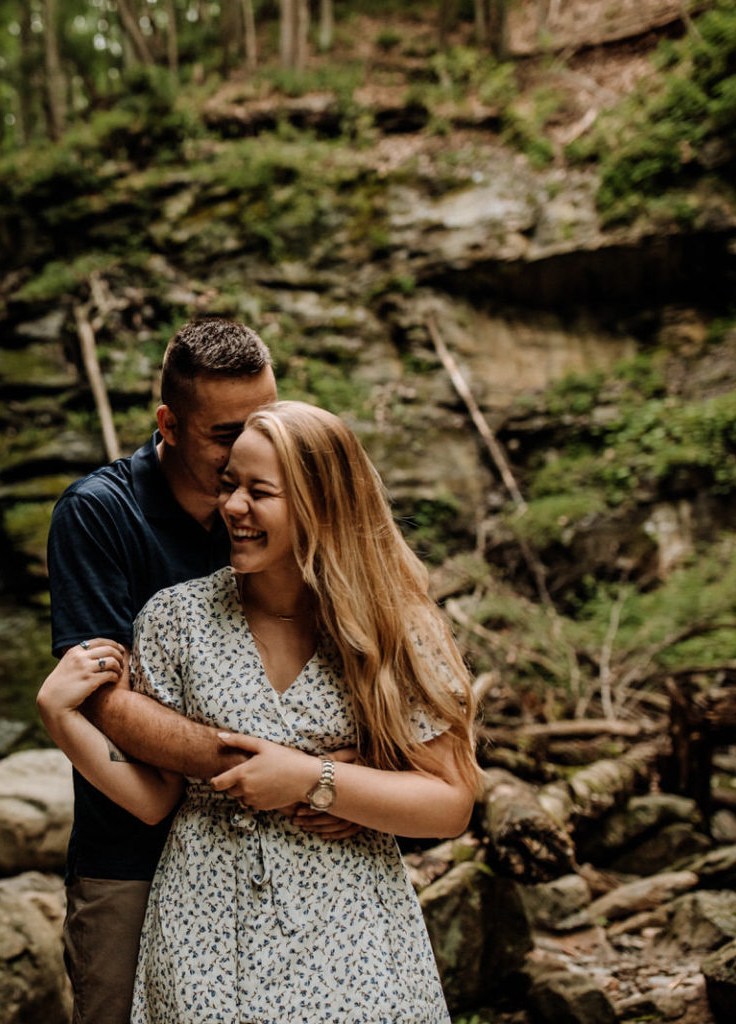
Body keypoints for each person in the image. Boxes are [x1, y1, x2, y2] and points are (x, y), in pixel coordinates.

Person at [40, 400, 482, 1023]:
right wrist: (61, 719)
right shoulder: (174, 619)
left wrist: (315, 781)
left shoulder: (397, 628)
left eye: (259, 492)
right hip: (203, 927)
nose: (232, 508)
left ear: (320, 503)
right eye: (228, 486)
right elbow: (155, 799)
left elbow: (451, 802)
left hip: (349, 926)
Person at [39, 319, 355, 1024]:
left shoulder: (295, 506)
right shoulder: (100, 515)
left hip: (290, 853)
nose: (248, 446)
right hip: (135, 855)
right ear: (169, 425)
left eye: (266, 420)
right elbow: (107, 703)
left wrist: (347, 783)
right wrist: (291, 771)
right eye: (224, 434)